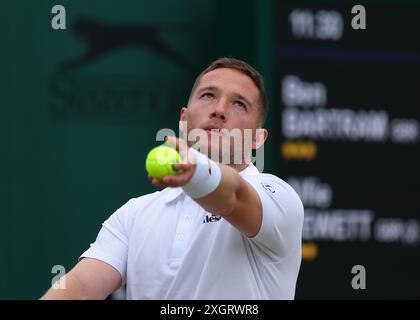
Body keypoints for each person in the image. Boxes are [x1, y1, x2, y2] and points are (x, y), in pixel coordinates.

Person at [41, 57, 304, 300]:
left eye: (239, 104)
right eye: (208, 95)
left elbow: (233, 196)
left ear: (258, 138)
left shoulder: (277, 196)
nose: (219, 110)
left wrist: (197, 170)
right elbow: (79, 291)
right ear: (184, 119)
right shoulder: (134, 215)